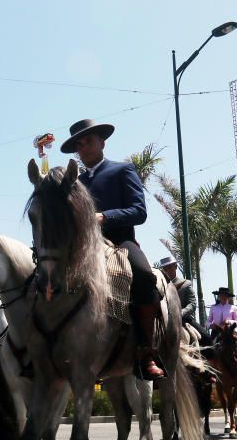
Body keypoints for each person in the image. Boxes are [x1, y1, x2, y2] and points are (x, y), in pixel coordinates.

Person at [61, 119, 164, 379]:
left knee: (143, 274)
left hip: (120, 243)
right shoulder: (74, 183)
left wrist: (104, 217)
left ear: (102, 142)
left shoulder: (122, 170)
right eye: (79, 145)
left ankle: (146, 352)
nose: (83, 148)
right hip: (84, 247)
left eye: (88, 141)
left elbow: (139, 212)